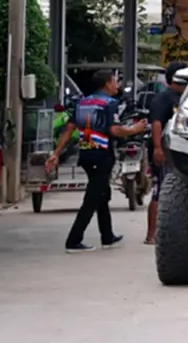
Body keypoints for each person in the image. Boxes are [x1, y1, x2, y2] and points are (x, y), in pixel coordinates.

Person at [47, 70, 147, 253]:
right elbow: (115, 130)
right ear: (107, 84)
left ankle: (107, 236)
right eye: (115, 81)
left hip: (86, 154)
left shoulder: (82, 102)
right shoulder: (109, 103)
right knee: (92, 198)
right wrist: (135, 129)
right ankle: (73, 240)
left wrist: (56, 153)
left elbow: (69, 129)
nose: (117, 85)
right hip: (101, 155)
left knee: (102, 194)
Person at [144, 60, 188, 245]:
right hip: (164, 151)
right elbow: (156, 123)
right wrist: (158, 148)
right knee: (160, 191)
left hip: (180, 152)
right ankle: (152, 234)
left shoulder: (184, 97)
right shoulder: (163, 98)